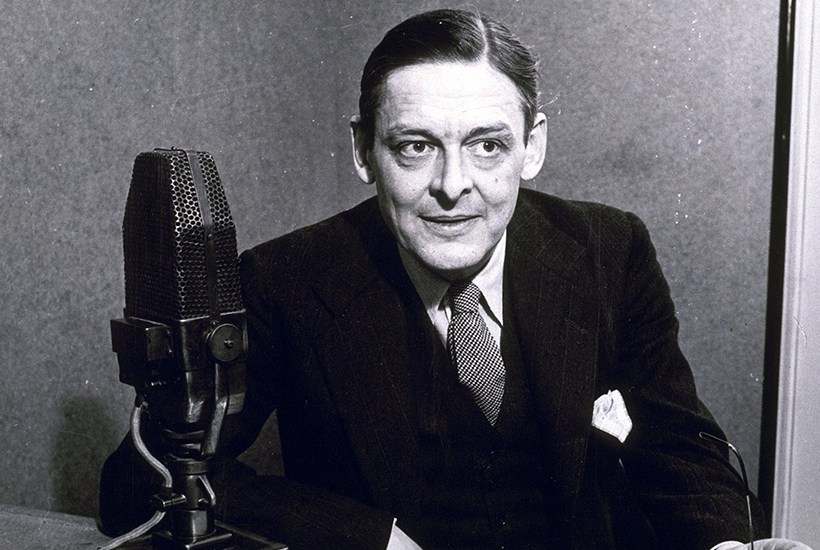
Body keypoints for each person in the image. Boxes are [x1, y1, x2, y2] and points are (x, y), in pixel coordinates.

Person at [100, 8, 810, 550]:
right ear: (363, 151)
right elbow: (140, 482)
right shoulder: (288, 280)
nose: (453, 185)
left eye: (487, 145)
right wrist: (366, 539)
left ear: (532, 147)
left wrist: (725, 546)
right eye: (415, 146)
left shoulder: (608, 250)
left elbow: (678, 448)